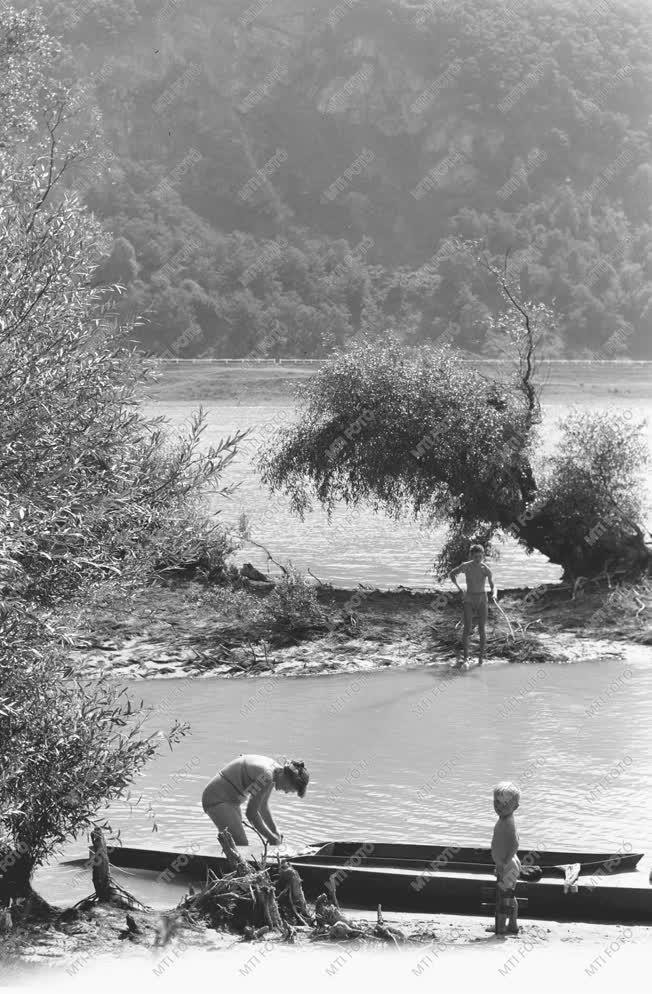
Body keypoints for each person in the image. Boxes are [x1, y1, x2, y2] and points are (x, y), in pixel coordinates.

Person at [201, 754, 309, 847]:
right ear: (287, 777)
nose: (286, 791)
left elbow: (262, 807)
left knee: (235, 844)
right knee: (242, 845)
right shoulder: (267, 776)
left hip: (230, 802)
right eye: (290, 788)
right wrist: (271, 838)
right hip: (218, 799)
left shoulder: (274, 772)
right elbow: (251, 814)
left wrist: (275, 831)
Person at [448, 543, 495, 667]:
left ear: (483, 556)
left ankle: (480, 659)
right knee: (467, 628)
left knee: (481, 629)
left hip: (482, 599)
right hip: (469, 598)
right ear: (471, 556)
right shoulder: (466, 566)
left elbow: (492, 584)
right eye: (475, 556)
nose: (478, 559)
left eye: (480, 556)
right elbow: (452, 574)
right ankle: (466, 657)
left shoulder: (485, 569)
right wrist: (459, 588)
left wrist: (494, 594)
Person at [489, 781, 521, 935]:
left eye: (505, 803)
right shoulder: (504, 819)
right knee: (508, 894)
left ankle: (501, 928)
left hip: (508, 864)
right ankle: (512, 925)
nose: (499, 806)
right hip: (505, 863)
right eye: (496, 801)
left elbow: (515, 844)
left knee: (504, 897)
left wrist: (504, 862)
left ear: (515, 807)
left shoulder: (508, 822)